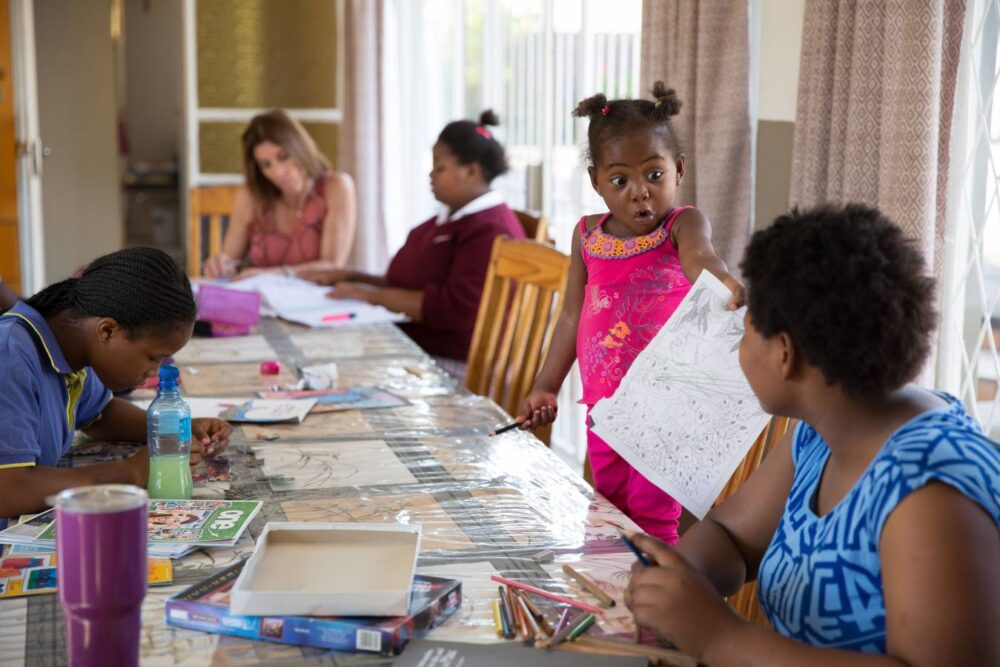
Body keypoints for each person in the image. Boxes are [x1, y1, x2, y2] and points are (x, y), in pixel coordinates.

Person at [625, 204, 1000, 665]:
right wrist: (674, 578)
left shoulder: (929, 490)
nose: (738, 349)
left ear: (785, 353)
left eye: (744, 334)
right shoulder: (825, 432)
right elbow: (732, 538)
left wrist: (717, 636)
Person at [516, 83, 743, 543]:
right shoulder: (586, 236)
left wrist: (725, 284)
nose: (640, 194)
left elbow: (703, 260)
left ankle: (653, 605)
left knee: (653, 519)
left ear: (678, 170)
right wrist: (545, 384)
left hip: (664, 404)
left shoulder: (682, 226)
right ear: (596, 181)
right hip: (604, 407)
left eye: (654, 175)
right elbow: (570, 319)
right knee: (607, 510)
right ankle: (612, 597)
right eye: (620, 181)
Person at [0, 247, 232, 525]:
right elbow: (9, 491)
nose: (153, 373)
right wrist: (131, 471)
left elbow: (102, 414)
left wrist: (170, 429)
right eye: (152, 357)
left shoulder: (68, 347)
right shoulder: (10, 354)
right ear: (107, 331)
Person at [298, 111, 525, 370]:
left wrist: (369, 295)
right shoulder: (453, 218)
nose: (431, 176)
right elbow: (408, 284)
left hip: (454, 361)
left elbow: (453, 310)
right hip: (418, 343)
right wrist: (349, 276)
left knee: (329, 360)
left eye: (439, 167)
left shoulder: (489, 229)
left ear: (471, 172)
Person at [202, 109, 357, 279]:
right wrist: (220, 265)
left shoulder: (336, 187)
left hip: (317, 302)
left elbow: (332, 266)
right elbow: (230, 260)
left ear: (300, 147)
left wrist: (271, 274)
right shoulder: (251, 196)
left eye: (283, 156)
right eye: (266, 165)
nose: (278, 171)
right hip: (262, 302)